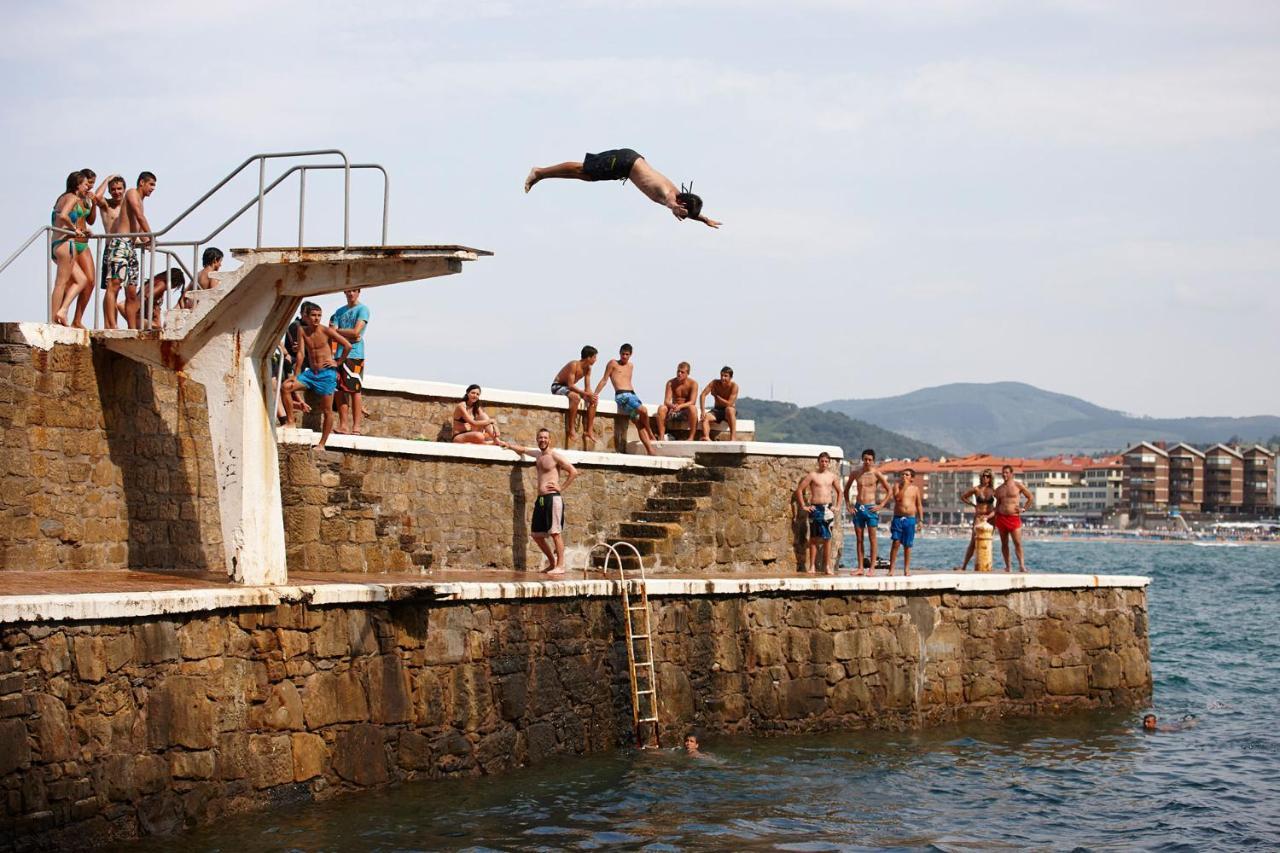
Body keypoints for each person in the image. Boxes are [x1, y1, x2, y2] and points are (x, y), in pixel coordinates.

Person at [525, 148, 722, 228]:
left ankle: (541, 174)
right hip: (624, 163)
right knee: (581, 169)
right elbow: (671, 203)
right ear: (681, 203)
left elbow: (680, 206)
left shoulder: (678, 196)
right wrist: (674, 208)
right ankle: (539, 172)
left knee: (585, 176)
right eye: (683, 212)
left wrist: (703, 219)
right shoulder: (670, 195)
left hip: (627, 165)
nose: (681, 215)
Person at [500, 427, 579, 575]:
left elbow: (573, 472)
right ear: (537, 439)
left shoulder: (555, 455)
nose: (542, 440)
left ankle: (560, 566)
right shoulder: (538, 454)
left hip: (553, 498)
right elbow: (523, 449)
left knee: (555, 533)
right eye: (540, 438)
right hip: (541, 499)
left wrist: (560, 487)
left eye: (545, 438)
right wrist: (509, 446)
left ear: (550, 440)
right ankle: (552, 563)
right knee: (536, 535)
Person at [281, 301, 352, 449]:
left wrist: (338, 362)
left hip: (327, 374)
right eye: (313, 315)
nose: (316, 318)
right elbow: (300, 353)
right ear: (305, 316)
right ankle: (290, 422)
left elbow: (347, 345)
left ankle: (322, 444)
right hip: (310, 374)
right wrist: (296, 374)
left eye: (319, 315)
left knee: (327, 410)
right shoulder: (301, 330)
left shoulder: (326, 331)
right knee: (286, 387)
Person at [594, 343, 657, 455]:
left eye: (627, 354)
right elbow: (604, 380)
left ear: (630, 355)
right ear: (620, 353)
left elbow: (628, 381)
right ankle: (650, 432)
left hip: (633, 396)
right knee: (644, 410)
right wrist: (595, 394)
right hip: (622, 397)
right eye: (623, 354)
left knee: (638, 422)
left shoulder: (631, 366)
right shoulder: (613, 363)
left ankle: (650, 450)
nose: (624, 356)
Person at [49, 172, 92, 327]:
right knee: (61, 283)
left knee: (82, 280)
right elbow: (64, 216)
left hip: (56, 244)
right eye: (85, 184)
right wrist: (75, 230)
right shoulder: (73, 198)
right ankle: (53, 320)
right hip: (65, 244)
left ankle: (63, 310)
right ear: (77, 185)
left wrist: (80, 231)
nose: (88, 187)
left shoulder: (61, 197)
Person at [119, 172, 157, 329]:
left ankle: (132, 327)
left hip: (132, 247)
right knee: (114, 285)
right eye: (151, 184)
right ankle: (111, 323)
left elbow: (138, 226)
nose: (153, 189)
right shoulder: (132, 193)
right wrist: (152, 236)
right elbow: (139, 217)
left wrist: (146, 240)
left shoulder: (141, 200)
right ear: (142, 182)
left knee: (132, 292)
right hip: (121, 243)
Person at [843, 449, 891, 576]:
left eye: (870, 460)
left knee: (872, 539)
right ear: (862, 459)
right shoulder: (856, 473)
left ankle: (872, 568)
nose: (867, 462)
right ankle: (860, 568)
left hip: (871, 508)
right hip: (859, 508)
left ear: (873, 461)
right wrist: (848, 505)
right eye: (865, 459)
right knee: (859, 539)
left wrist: (881, 505)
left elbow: (889, 490)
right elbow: (846, 489)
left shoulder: (877, 474)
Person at [330, 288, 370, 435]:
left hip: (355, 354)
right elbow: (331, 332)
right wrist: (347, 333)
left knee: (355, 390)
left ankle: (356, 428)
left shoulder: (363, 309)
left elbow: (356, 332)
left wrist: (338, 331)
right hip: (340, 355)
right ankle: (343, 425)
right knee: (340, 390)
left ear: (359, 292)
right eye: (348, 291)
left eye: (354, 291)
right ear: (344, 293)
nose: (351, 294)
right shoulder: (339, 311)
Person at [795, 452, 842, 574]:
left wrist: (837, 506)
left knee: (827, 538)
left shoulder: (832, 476)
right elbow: (799, 490)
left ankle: (827, 566)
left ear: (829, 463)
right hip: (815, 509)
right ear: (818, 462)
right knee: (814, 538)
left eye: (826, 461)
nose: (824, 463)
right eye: (822, 461)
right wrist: (803, 506)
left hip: (828, 509)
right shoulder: (812, 475)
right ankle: (812, 566)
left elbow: (839, 492)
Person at [551, 346, 599, 449]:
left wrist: (591, 395)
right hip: (558, 386)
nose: (596, 360)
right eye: (594, 357)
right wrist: (585, 393)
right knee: (576, 398)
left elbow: (587, 388)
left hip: (570, 388)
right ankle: (571, 429)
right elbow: (570, 385)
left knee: (593, 400)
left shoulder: (588, 369)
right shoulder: (574, 364)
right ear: (588, 358)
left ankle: (589, 431)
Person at [993, 465, 1035, 572]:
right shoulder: (999, 489)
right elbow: (998, 504)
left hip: (1014, 518)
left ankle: (1021, 566)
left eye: (1007, 472)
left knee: (1017, 543)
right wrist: (994, 516)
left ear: (1012, 474)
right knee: (1004, 544)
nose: (1004, 474)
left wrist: (1024, 509)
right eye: (1003, 472)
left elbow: (1030, 497)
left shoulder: (1018, 486)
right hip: (1001, 518)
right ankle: (1008, 566)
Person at [955, 469, 997, 571]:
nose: (985, 478)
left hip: (990, 517)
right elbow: (963, 497)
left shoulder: (994, 490)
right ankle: (964, 566)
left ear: (991, 478)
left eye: (988, 476)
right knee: (973, 541)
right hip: (979, 516)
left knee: (988, 541)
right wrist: (973, 505)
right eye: (983, 476)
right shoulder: (976, 489)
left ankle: (986, 565)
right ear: (980, 477)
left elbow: (999, 504)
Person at [886, 469, 924, 576]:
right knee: (896, 543)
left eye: (907, 475)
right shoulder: (897, 486)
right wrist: (905, 486)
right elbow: (898, 498)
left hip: (910, 519)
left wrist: (920, 520)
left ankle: (906, 569)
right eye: (902, 474)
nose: (904, 476)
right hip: (898, 518)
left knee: (907, 545)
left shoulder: (915, 489)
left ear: (911, 478)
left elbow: (919, 505)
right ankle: (891, 569)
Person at [656, 362, 699, 441]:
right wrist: (672, 406)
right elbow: (666, 401)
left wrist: (680, 406)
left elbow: (693, 401)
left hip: (685, 410)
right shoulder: (671, 383)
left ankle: (691, 437)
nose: (679, 374)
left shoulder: (693, 384)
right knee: (661, 408)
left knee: (693, 408)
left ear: (688, 373)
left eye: (682, 372)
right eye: (678, 371)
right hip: (674, 410)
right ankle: (661, 437)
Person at [699, 366, 739, 441]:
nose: (722, 378)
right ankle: (706, 437)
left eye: (725, 376)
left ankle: (733, 438)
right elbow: (702, 395)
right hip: (717, 410)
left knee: (729, 409)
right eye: (721, 375)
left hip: (728, 412)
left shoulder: (734, 386)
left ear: (731, 377)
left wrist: (716, 396)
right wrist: (702, 411)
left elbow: (729, 404)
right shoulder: (714, 383)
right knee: (706, 417)